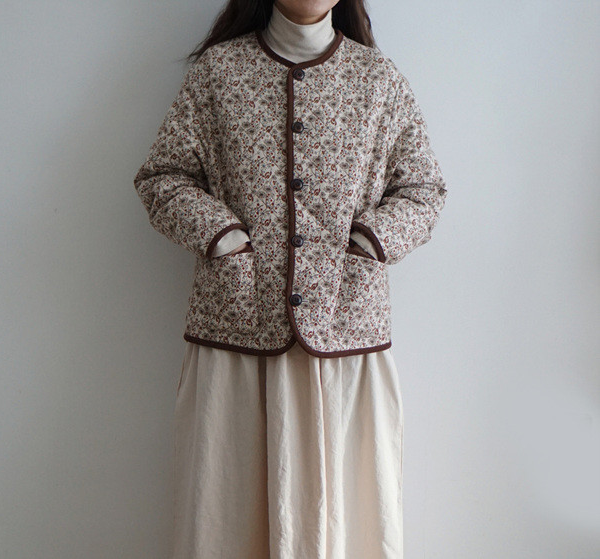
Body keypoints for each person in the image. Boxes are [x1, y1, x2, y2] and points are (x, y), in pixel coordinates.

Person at [133, 1, 448, 557]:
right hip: (236, 331)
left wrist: (369, 242)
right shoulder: (219, 73)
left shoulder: (378, 80)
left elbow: (424, 190)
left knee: (345, 516)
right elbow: (162, 177)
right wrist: (223, 237)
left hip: (345, 336)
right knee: (227, 515)